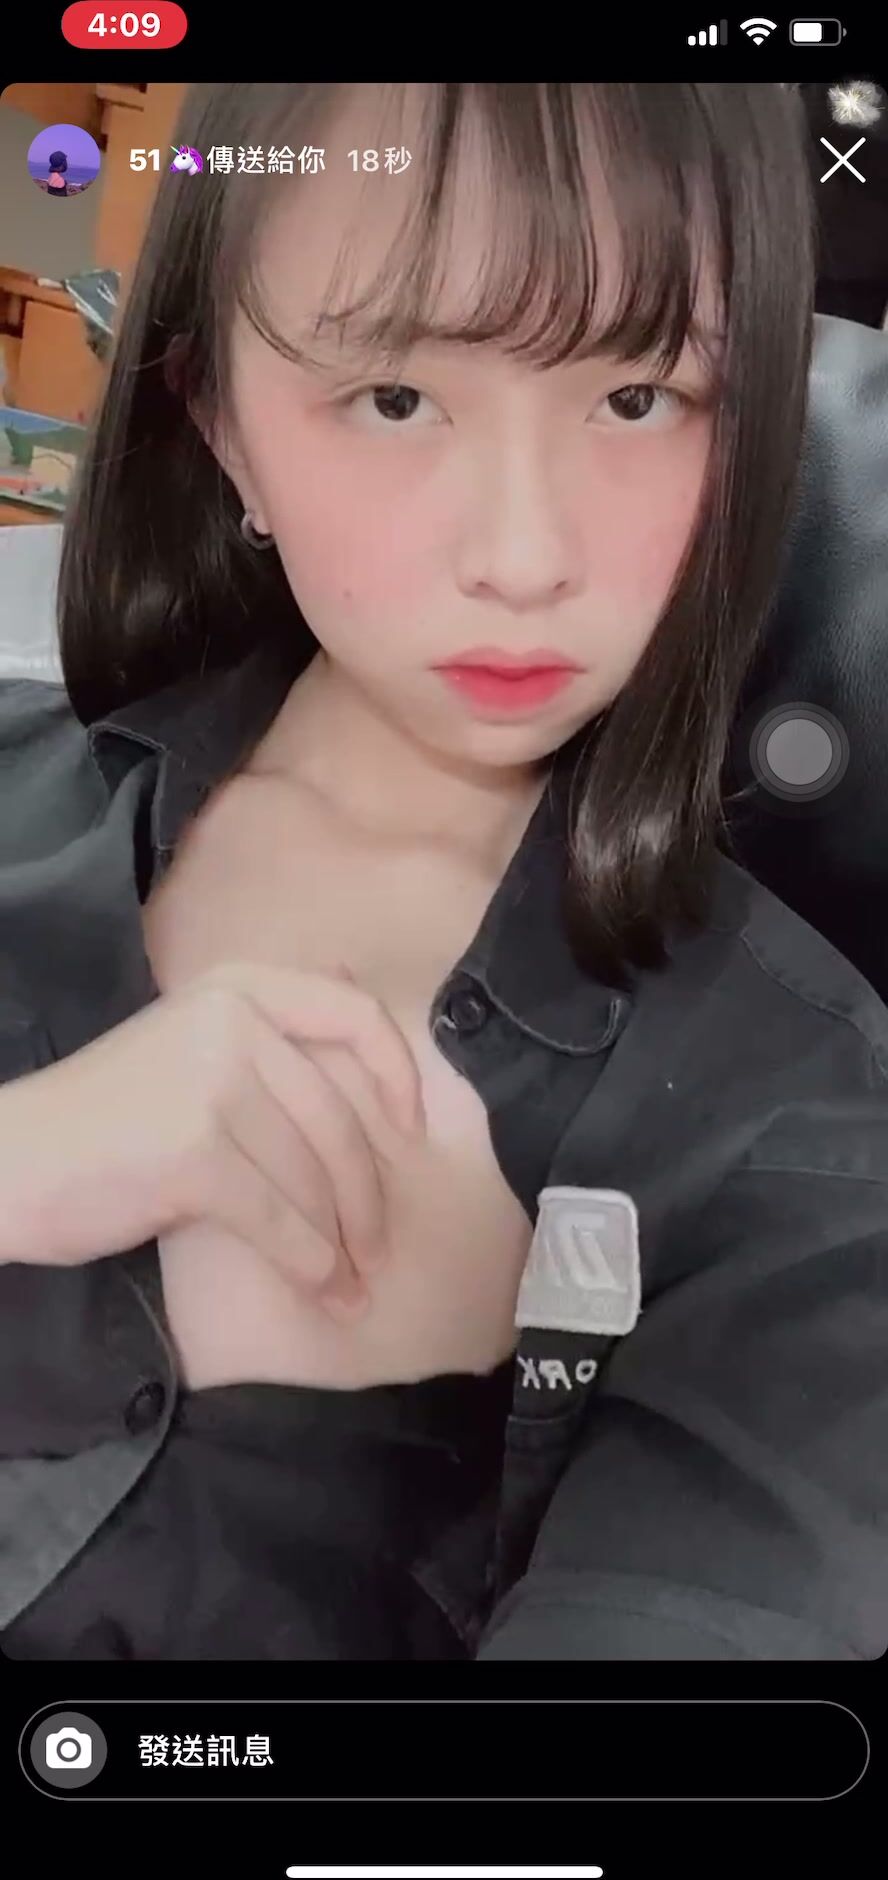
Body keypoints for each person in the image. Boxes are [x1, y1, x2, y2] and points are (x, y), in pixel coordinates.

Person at [0, 81, 886, 1662]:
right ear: (220, 424)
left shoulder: (799, 1120)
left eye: (639, 398)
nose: (524, 556)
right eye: (397, 396)